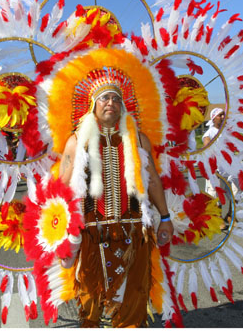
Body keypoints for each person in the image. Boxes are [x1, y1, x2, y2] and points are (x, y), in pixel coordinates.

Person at [58, 83, 173, 327]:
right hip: (91, 234)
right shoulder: (77, 141)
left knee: (135, 294)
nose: (111, 103)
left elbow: (151, 180)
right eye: (104, 98)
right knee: (90, 298)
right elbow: (62, 190)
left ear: (122, 107)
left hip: (134, 232)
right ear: (93, 105)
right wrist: (62, 234)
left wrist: (165, 218)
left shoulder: (138, 139)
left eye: (116, 99)